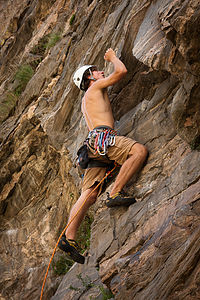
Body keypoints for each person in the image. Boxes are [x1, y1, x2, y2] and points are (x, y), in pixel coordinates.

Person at [58, 48, 148, 264]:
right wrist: (112, 57)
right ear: (89, 77)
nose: (100, 72)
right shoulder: (95, 87)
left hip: (93, 145)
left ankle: (69, 238)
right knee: (138, 151)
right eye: (96, 71)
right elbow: (122, 72)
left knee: (89, 194)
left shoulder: (86, 101)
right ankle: (115, 193)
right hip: (104, 139)